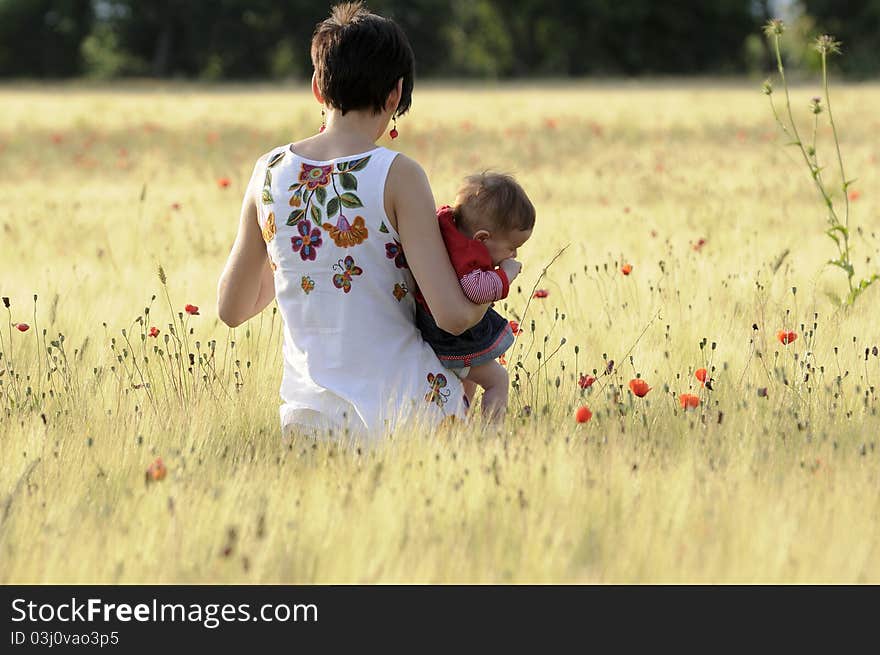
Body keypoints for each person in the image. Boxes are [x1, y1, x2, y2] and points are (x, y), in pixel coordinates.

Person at [217, 1, 490, 443]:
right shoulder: (398, 174)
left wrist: (302, 269)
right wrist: (502, 278)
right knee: (485, 378)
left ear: (317, 89)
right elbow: (454, 317)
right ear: (396, 94)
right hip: (409, 415)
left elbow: (231, 310)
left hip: (308, 425)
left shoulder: (267, 171)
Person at [414, 173, 534, 420]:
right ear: (482, 238)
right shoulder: (470, 256)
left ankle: (462, 422)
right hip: (450, 339)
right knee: (497, 380)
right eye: (512, 247)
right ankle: (491, 437)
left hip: (435, 327)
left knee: (470, 380)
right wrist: (506, 275)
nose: (513, 254)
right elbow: (477, 290)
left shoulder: (450, 229)